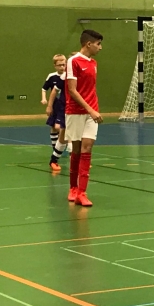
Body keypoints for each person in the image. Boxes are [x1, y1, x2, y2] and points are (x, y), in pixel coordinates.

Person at [65, 30, 103, 208]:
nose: (100, 48)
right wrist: (89, 109)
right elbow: (72, 90)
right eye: (98, 44)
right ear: (89, 44)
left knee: (87, 147)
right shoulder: (72, 61)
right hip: (75, 112)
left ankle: (82, 192)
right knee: (77, 150)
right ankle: (73, 187)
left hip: (91, 112)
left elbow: (91, 88)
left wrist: (93, 110)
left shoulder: (94, 63)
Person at [42, 55, 68, 171]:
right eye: (60, 65)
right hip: (57, 105)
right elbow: (47, 89)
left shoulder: (72, 76)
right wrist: (46, 102)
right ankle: (56, 150)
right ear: (55, 65)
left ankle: (65, 152)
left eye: (64, 64)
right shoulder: (54, 77)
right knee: (56, 127)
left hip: (67, 106)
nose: (62, 67)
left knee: (66, 130)